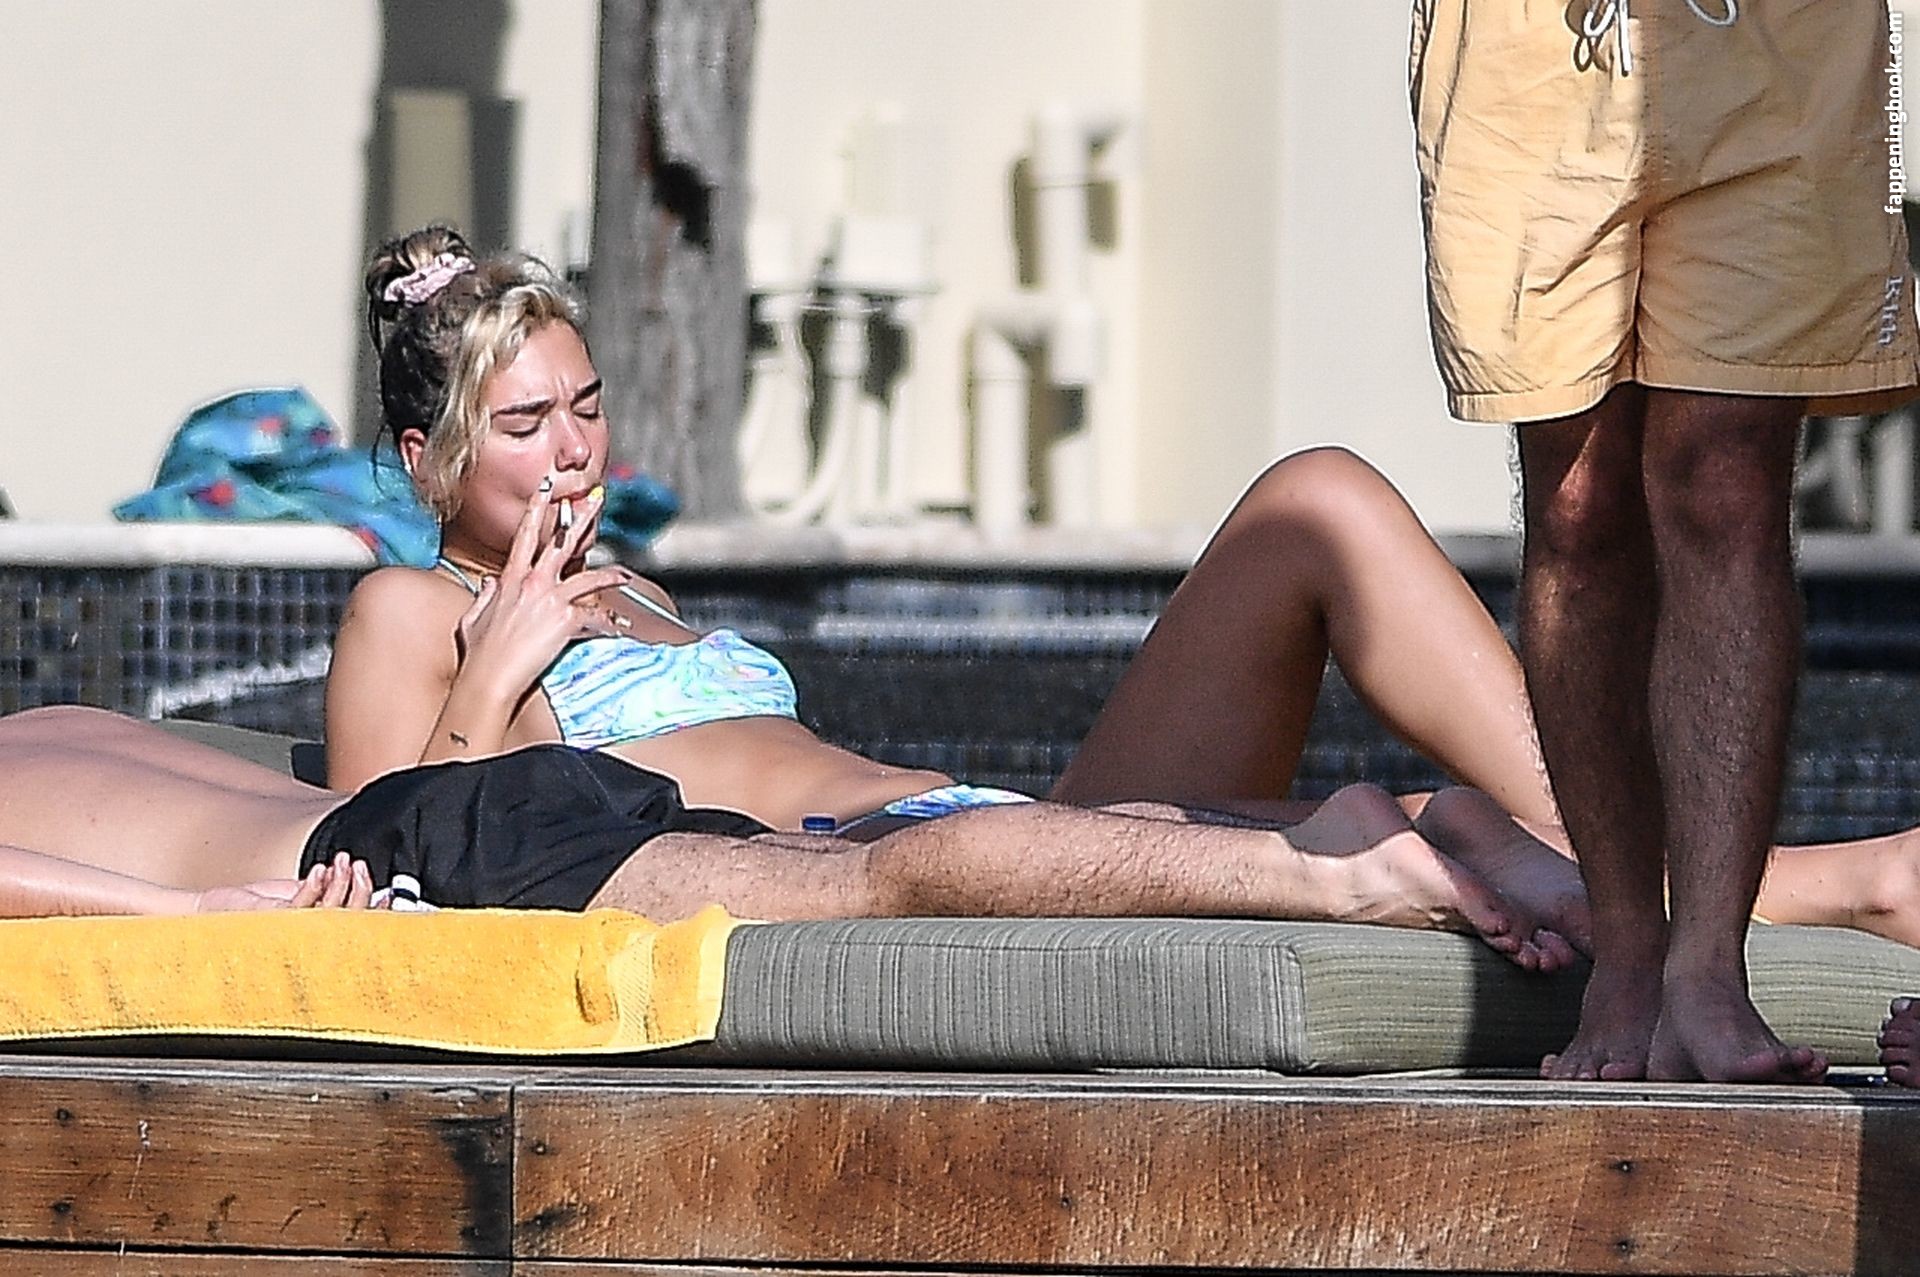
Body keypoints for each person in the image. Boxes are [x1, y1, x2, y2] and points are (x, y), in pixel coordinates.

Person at [328, 226, 1920, 962]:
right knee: (1413, 837)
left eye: (586, 405)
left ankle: (1677, 865)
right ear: (424, 458)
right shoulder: (414, 615)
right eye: (523, 425)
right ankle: (1846, 887)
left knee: (1320, 500)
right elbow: (389, 870)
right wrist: (497, 665)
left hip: (973, 820)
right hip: (861, 881)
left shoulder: (641, 585)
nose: (574, 451)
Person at [1408, 2, 1920, 1081]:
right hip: (1531, 45)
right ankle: (1629, 954)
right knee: (1578, 501)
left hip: (1784, 37)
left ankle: (1708, 970)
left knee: (1725, 479)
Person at [0, 704, 1584, 968]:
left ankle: (1320, 865)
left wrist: (196, 917)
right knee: (855, 863)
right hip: (489, 808)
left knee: (882, 891)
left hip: (428, 846)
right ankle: (1409, 823)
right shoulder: (54, 717)